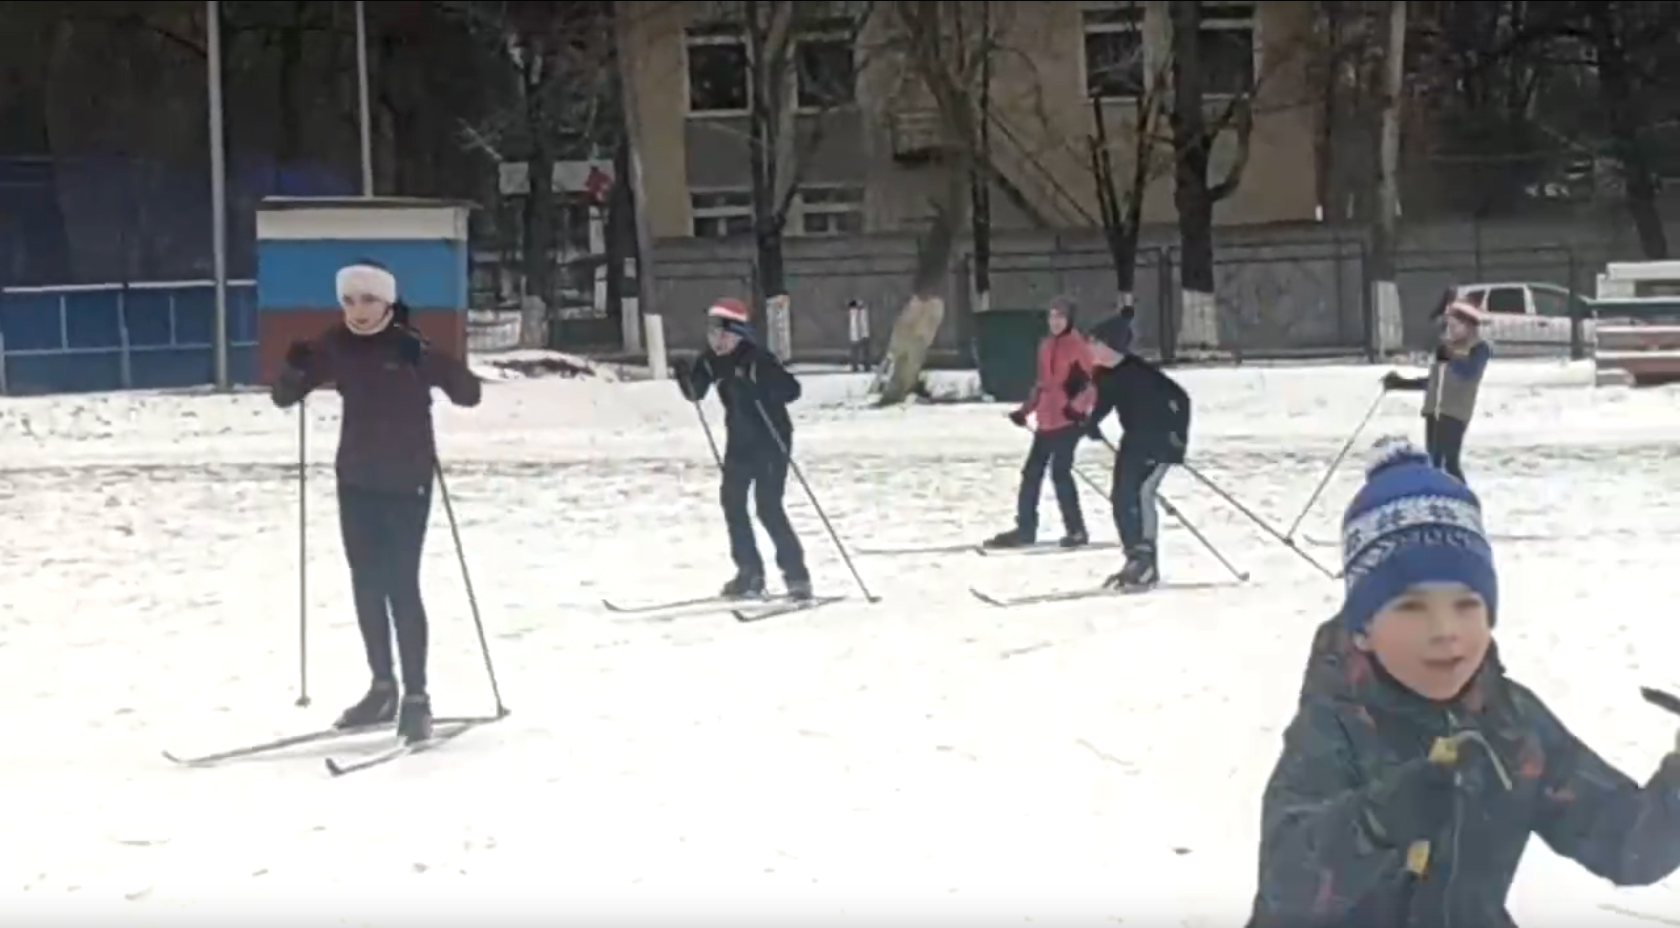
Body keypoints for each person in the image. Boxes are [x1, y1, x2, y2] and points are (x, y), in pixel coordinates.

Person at [1248, 439, 1680, 928]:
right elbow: (1287, 889)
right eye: (1411, 607)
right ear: (1363, 629)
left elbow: (1626, 845)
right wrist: (1373, 823)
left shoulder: (1511, 723)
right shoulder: (1335, 728)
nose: (1445, 629)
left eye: (1467, 605)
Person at [270, 259, 483, 744]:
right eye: (348, 300)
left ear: (388, 301)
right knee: (366, 583)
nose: (358, 310)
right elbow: (286, 396)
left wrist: (428, 357)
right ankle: (382, 687)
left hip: (407, 479)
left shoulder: (407, 344)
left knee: (400, 583)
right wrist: (295, 366)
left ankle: (417, 698)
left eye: (368, 300)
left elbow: (469, 393)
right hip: (357, 478)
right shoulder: (336, 343)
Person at [674, 298, 812, 601]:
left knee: (767, 507)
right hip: (739, 439)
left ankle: (797, 577)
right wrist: (684, 378)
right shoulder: (711, 360)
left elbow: (792, 390)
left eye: (721, 335)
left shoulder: (757, 358)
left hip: (771, 437)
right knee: (733, 502)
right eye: (711, 334)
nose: (716, 341)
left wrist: (762, 384)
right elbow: (696, 392)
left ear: (738, 334)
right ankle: (749, 573)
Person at [1082, 313, 1190, 590]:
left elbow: (1180, 400)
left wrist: (1178, 439)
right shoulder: (1105, 374)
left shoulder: (1142, 374)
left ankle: (1146, 561)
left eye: (1093, 343)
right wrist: (1091, 423)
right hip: (1133, 442)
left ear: (1109, 346)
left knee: (1142, 494)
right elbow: (1105, 402)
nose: (1088, 348)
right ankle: (1134, 557)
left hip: (1159, 442)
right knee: (1121, 496)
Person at [984, 295, 1094, 550]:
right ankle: (1025, 529)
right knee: (1031, 473)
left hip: (1068, 421)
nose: (1055, 322)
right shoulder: (1045, 346)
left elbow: (1089, 385)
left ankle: (1076, 530)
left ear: (1069, 319)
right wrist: (1025, 411)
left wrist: (1077, 410)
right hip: (1046, 421)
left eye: (1060, 317)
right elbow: (1042, 384)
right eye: (1051, 317)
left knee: (1060, 473)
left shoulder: (1078, 347)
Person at [1381, 301, 1492, 483]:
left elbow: (1469, 373)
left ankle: (1461, 498)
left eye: (1456, 326)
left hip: (1455, 412)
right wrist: (1400, 383)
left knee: (1449, 463)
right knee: (1433, 463)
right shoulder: (1446, 347)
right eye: (1449, 326)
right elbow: (1435, 380)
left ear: (1469, 326)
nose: (1451, 330)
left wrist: (1451, 355)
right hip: (1434, 411)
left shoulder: (1479, 348)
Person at [846, 298, 871, 372]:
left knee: (863, 350)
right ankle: (856, 366)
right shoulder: (855, 311)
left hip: (861, 333)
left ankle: (865, 366)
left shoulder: (862, 310)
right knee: (857, 350)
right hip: (857, 333)